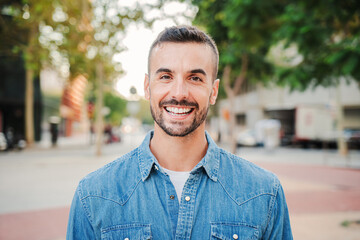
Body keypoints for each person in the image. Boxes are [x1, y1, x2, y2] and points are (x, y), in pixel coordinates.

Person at [67, 25, 293, 239]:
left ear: (213, 92)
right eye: (165, 76)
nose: (179, 93)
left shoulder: (264, 192)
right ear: (147, 88)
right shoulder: (94, 194)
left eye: (195, 78)